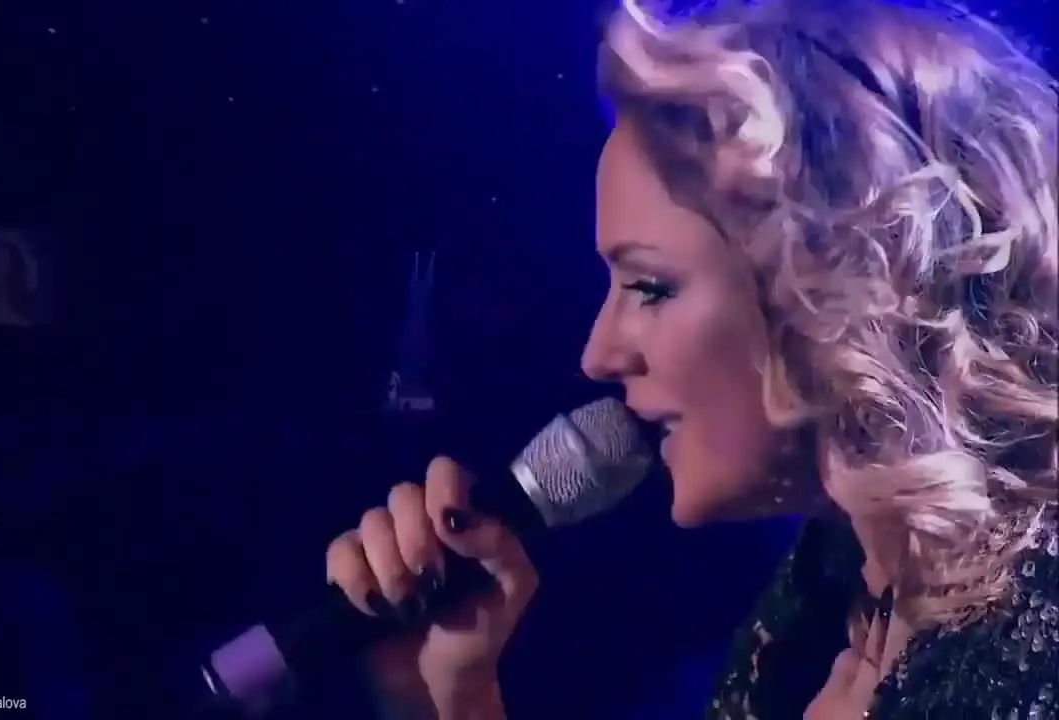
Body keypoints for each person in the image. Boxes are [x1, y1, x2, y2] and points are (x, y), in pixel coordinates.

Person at [324, 0, 1059, 717]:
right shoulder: (820, 597)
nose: (598, 356)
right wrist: (451, 699)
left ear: (848, 286)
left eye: (650, 286)